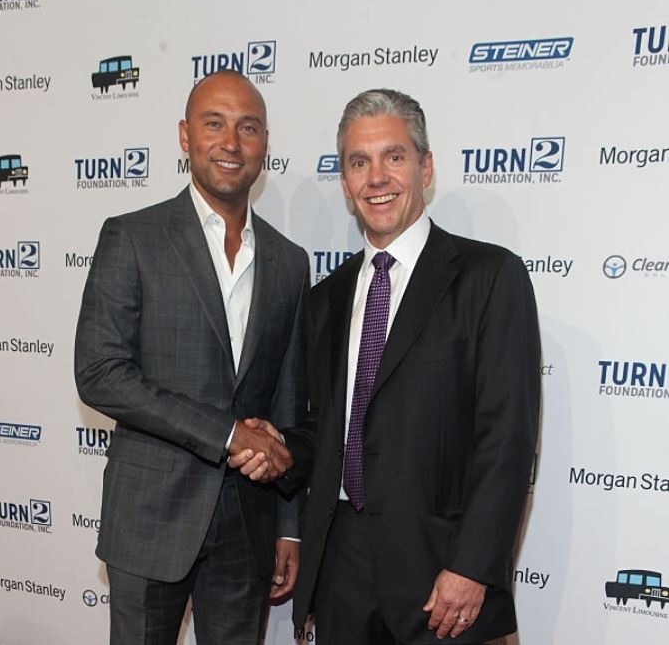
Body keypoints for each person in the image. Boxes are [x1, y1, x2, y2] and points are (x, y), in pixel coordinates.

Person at [284, 89, 541, 644]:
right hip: (341, 569)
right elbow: (327, 430)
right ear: (346, 181)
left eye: (393, 157)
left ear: (425, 168)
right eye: (359, 162)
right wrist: (273, 446)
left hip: (441, 570)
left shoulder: (489, 278)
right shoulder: (327, 298)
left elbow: (508, 438)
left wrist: (473, 566)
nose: (377, 177)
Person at [74, 70, 309, 645]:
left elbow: (287, 400)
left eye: (248, 128)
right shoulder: (132, 237)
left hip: (248, 524)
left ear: (264, 146)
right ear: (185, 136)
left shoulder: (289, 260)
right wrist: (229, 435)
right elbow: (101, 373)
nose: (231, 142)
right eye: (214, 124)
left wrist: (289, 527)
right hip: (151, 517)